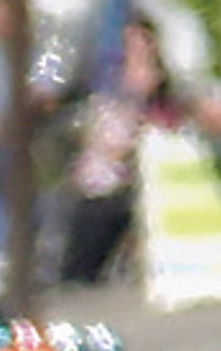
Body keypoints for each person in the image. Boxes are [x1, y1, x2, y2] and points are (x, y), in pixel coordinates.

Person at [58, 17, 165, 286]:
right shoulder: (109, 80)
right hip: (101, 179)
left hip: (140, 176)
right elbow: (95, 125)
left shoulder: (160, 84)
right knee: (84, 254)